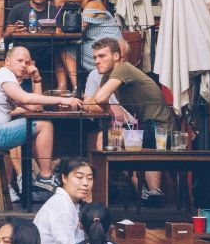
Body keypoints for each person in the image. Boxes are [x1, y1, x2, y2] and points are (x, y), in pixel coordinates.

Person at [52, 38, 172, 202]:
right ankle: (103, 195)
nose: (97, 61)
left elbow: (99, 99)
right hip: (148, 128)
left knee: (104, 137)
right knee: (106, 137)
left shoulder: (123, 69)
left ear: (116, 56)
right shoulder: (107, 76)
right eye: (95, 57)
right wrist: (100, 105)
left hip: (160, 131)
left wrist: (99, 104)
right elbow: (94, 105)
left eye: (102, 56)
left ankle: (97, 199)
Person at [0, 46, 65, 194]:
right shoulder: (4, 75)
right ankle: (46, 177)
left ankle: (41, 178)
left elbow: (36, 108)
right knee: (44, 125)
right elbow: (26, 98)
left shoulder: (10, 81)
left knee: (40, 125)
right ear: (7, 61)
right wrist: (62, 100)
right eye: (20, 61)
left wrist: (37, 78)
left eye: (27, 62)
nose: (24, 65)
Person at [6, 0, 70, 91]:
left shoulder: (53, 10)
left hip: (47, 50)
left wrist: (48, 29)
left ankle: (62, 88)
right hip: (24, 49)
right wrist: (14, 30)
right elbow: (6, 36)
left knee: (60, 50)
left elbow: (59, 34)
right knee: (25, 55)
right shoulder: (18, 9)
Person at [32, 156, 93, 244]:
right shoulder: (62, 206)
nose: (85, 183)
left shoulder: (72, 203)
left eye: (89, 178)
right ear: (64, 178)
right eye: (79, 177)